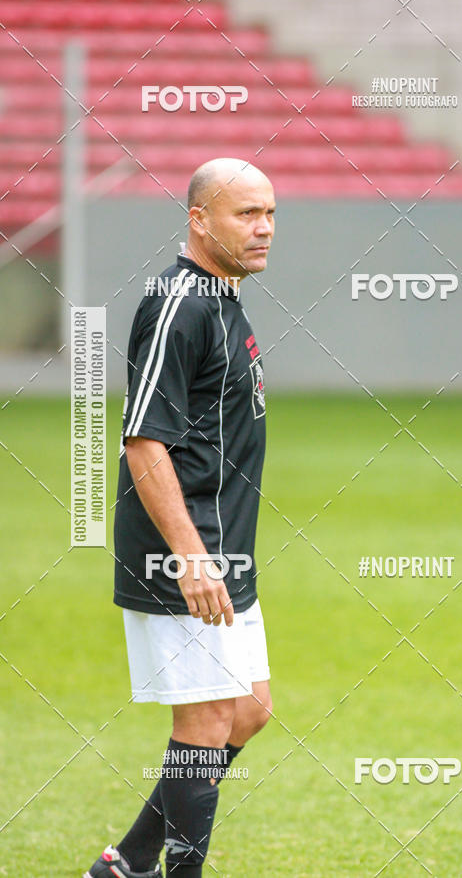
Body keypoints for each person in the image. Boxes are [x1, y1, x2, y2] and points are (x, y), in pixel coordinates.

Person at [85, 158, 276, 878]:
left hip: (222, 551)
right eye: (246, 214)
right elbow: (144, 441)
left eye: (270, 214)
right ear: (198, 220)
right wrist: (191, 555)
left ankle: (128, 862)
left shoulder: (224, 299)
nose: (263, 228)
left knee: (249, 710)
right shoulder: (180, 305)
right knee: (204, 722)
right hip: (182, 552)